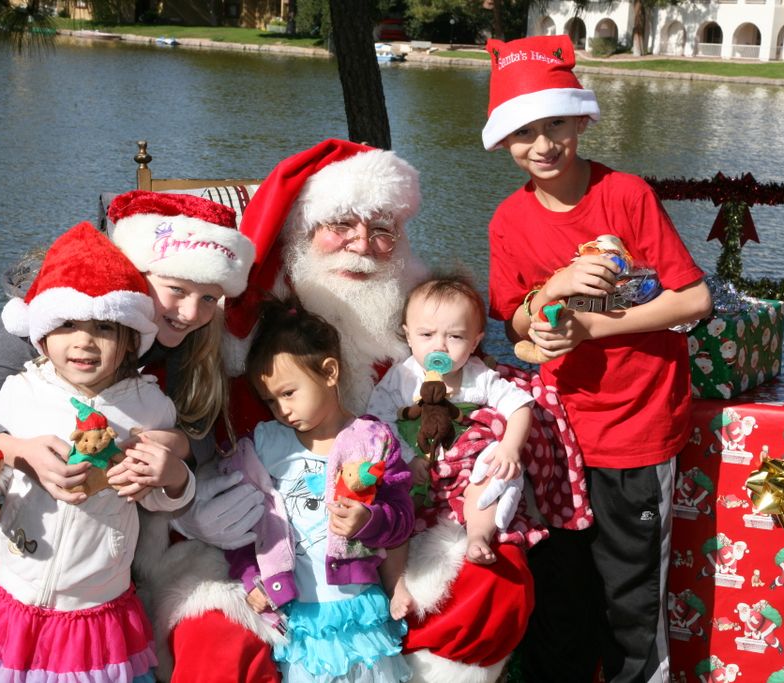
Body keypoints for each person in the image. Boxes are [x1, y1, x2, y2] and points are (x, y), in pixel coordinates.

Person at [147, 140, 538, 682]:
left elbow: (477, 396)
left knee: (495, 587)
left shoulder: (420, 320)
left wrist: (488, 452)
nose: (362, 245)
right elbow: (180, 431)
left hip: (400, 525)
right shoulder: (234, 328)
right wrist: (193, 509)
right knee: (214, 643)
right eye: (340, 225)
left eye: (382, 229)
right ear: (302, 232)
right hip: (260, 547)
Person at [0, 191, 267, 666]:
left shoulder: (189, 337)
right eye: (175, 290)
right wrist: (15, 449)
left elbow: (203, 429)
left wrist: (177, 443)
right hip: (16, 538)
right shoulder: (47, 316)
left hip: (102, 571)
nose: (190, 313)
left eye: (208, 297)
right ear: (133, 273)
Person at [482, 35, 713, 683]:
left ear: (581, 118)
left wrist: (592, 326)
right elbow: (517, 319)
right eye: (524, 132)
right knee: (561, 600)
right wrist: (550, 307)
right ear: (504, 143)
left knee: (630, 605)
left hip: (635, 432)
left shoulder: (627, 195)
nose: (544, 144)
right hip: (557, 439)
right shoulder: (509, 220)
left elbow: (692, 298)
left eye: (556, 123)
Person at [0, 221, 196, 682]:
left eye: (103, 327)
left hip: (97, 607)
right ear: (41, 334)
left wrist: (174, 475)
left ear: (130, 337)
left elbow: (161, 497)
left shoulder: (151, 405)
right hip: (14, 593)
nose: (83, 340)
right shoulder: (19, 391)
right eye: (67, 324)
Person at [226, 299, 414, 681]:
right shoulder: (265, 445)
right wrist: (251, 579)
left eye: (289, 393)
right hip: (300, 614)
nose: (281, 409)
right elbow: (242, 524)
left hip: (358, 608)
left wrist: (370, 520)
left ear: (329, 372)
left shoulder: (371, 438)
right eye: (270, 400)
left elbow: (403, 518)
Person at [366, 275, 534, 616]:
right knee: (393, 511)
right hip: (416, 475)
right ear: (408, 334)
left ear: (475, 342)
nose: (440, 347)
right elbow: (377, 421)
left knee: (488, 478)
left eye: (455, 336)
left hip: (464, 475)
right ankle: (396, 585)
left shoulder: (478, 376)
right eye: (427, 335)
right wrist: (408, 458)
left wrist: (509, 449)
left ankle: (477, 537)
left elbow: (520, 405)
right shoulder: (403, 376)